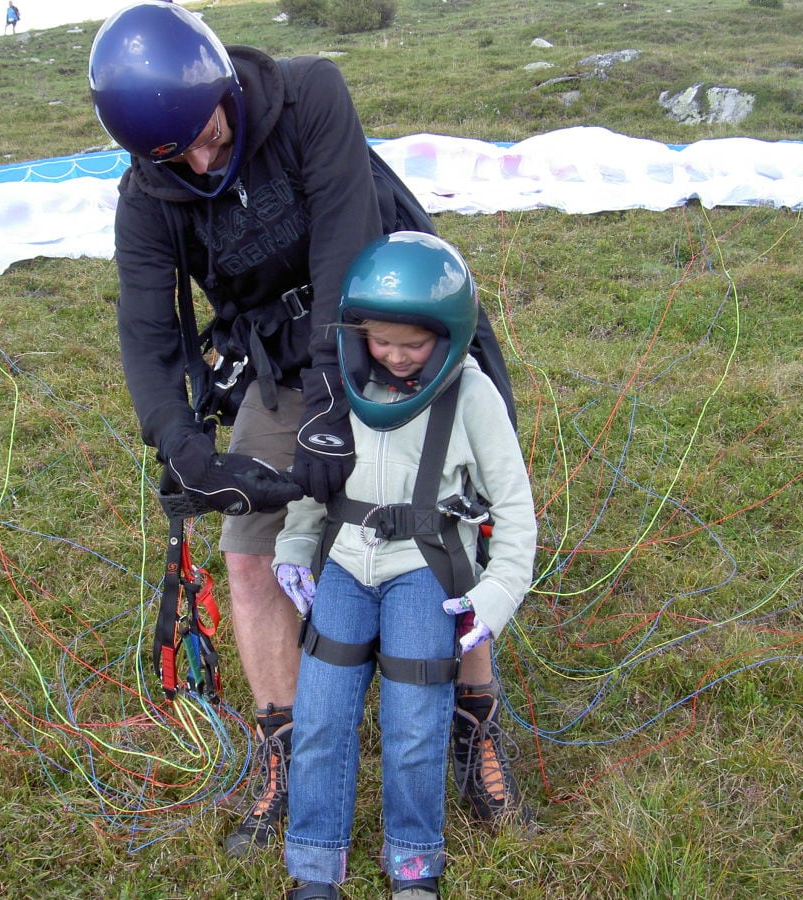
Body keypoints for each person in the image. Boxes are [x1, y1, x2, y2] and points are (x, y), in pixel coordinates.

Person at [87, 0, 520, 857]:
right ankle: (285, 747)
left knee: (446, 525)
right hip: (279, 365)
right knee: (248, 554)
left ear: (223, 88)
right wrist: (185, 449)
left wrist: (337, 400)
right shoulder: (147, 199)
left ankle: (477, 723)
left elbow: (344, 246)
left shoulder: (311, 95)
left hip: (389, 336)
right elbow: (145, 331)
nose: (204, 162)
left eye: (211, 136)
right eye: (181, 157)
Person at [274, 232, 538, 900]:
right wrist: (292, 551)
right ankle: (312, 865)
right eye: (378, 339)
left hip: (423, 568)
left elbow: (516, 510)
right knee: (321, 717)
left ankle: (415, 864)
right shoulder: (339, 381)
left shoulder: (469, 393)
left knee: (415, 720)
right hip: (342, 566)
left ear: (447, 335)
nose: (392, 356)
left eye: (412, 344)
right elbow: (316, 476)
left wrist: (497, 595)